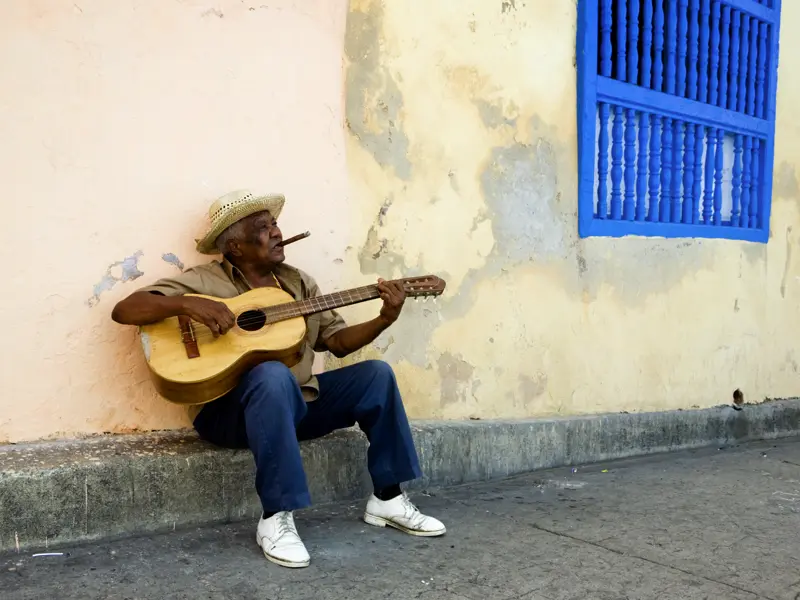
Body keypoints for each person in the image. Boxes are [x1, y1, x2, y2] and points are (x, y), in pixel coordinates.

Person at [111, 190, 445, 568]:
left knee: (376, 376)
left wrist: (385, 317)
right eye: (264, 227)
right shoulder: (203, 280)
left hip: (296, 404)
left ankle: (388, 497)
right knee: (271, 375)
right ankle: (277, 517)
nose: (276, 232)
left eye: (275, 225)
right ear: (235, 246)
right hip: (227, 414)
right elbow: (126, 309)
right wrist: (188, 303)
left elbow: (336, 342)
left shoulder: (299, 284)